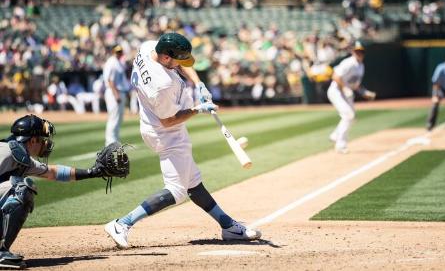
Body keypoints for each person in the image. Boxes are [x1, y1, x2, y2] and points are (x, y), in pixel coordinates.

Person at [104, 32, 261, 249]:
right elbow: (169, 120)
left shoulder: (150, 47)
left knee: (193, 183)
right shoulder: (162, 85)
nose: (181, 63)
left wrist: (198, 84)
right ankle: (122, 223)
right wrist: (197, 109)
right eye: (177, 59)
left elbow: (181, 64)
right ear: (167, 58)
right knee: (177, 191)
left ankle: (228, 225)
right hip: (164, 131)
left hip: (154, 124)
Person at [0, 114, 113, 269]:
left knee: (19, 187)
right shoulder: (5, 152)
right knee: (21, 188)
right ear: (33, 140)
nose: (45, 143)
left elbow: (52, 172)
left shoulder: (20, 156)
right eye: (42, 139)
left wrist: (92, 172)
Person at [327, 41, 376, 154]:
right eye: (357, 52)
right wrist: (344, 88)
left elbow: (355, 84)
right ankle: (340, 144)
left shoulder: (361, 66)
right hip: (336, 92)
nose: (359, 54)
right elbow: (335, 76)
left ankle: (335, 135)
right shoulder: (348, 63)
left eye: (361, 52)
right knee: (349, 115)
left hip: (346, 93)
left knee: (351, 118)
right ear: (353, 52)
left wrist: (364, 92)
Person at [103, 45, 130, 146]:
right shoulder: (112, 62)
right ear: (113, 52)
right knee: (114, 118)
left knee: (118, 118)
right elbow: (110, 80)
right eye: (117, 51)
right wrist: (116, 95)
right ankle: (110, 142)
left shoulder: (118, 62)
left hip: (119, 91)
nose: (119, 53)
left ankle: (115, 141)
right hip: (114, 92)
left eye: (120, 51)